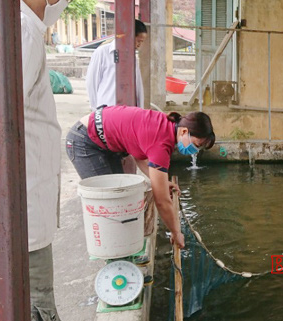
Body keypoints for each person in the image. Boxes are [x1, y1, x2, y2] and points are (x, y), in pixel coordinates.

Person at [19, 0, 95, 321]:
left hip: (28, 213)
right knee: (37, 318)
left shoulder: (22, 29)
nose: (65, 3)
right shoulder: (25, 32)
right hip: (23, 218)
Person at [65, 106, 215, 248]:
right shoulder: (161, 143)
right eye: (196, 144)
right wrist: (176, 233)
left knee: (119, 199)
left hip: (104, 140)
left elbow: (140, 155)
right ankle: (111, 256)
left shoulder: (165, 124)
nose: (195, 150)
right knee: (109, 205)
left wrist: (162, 182)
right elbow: (162, 201)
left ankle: (120, 249)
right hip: (84, 140)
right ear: (183, 131)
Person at [86, 19, 148, 110]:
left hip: (128, 110)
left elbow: (138, 86)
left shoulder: (132, 57)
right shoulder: (102, 53)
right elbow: (92, 83)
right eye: (138, 41)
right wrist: (95, 109)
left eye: (142, 42)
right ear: (129, 37)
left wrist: (140, 109)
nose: (139, 45)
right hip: (106, 108)